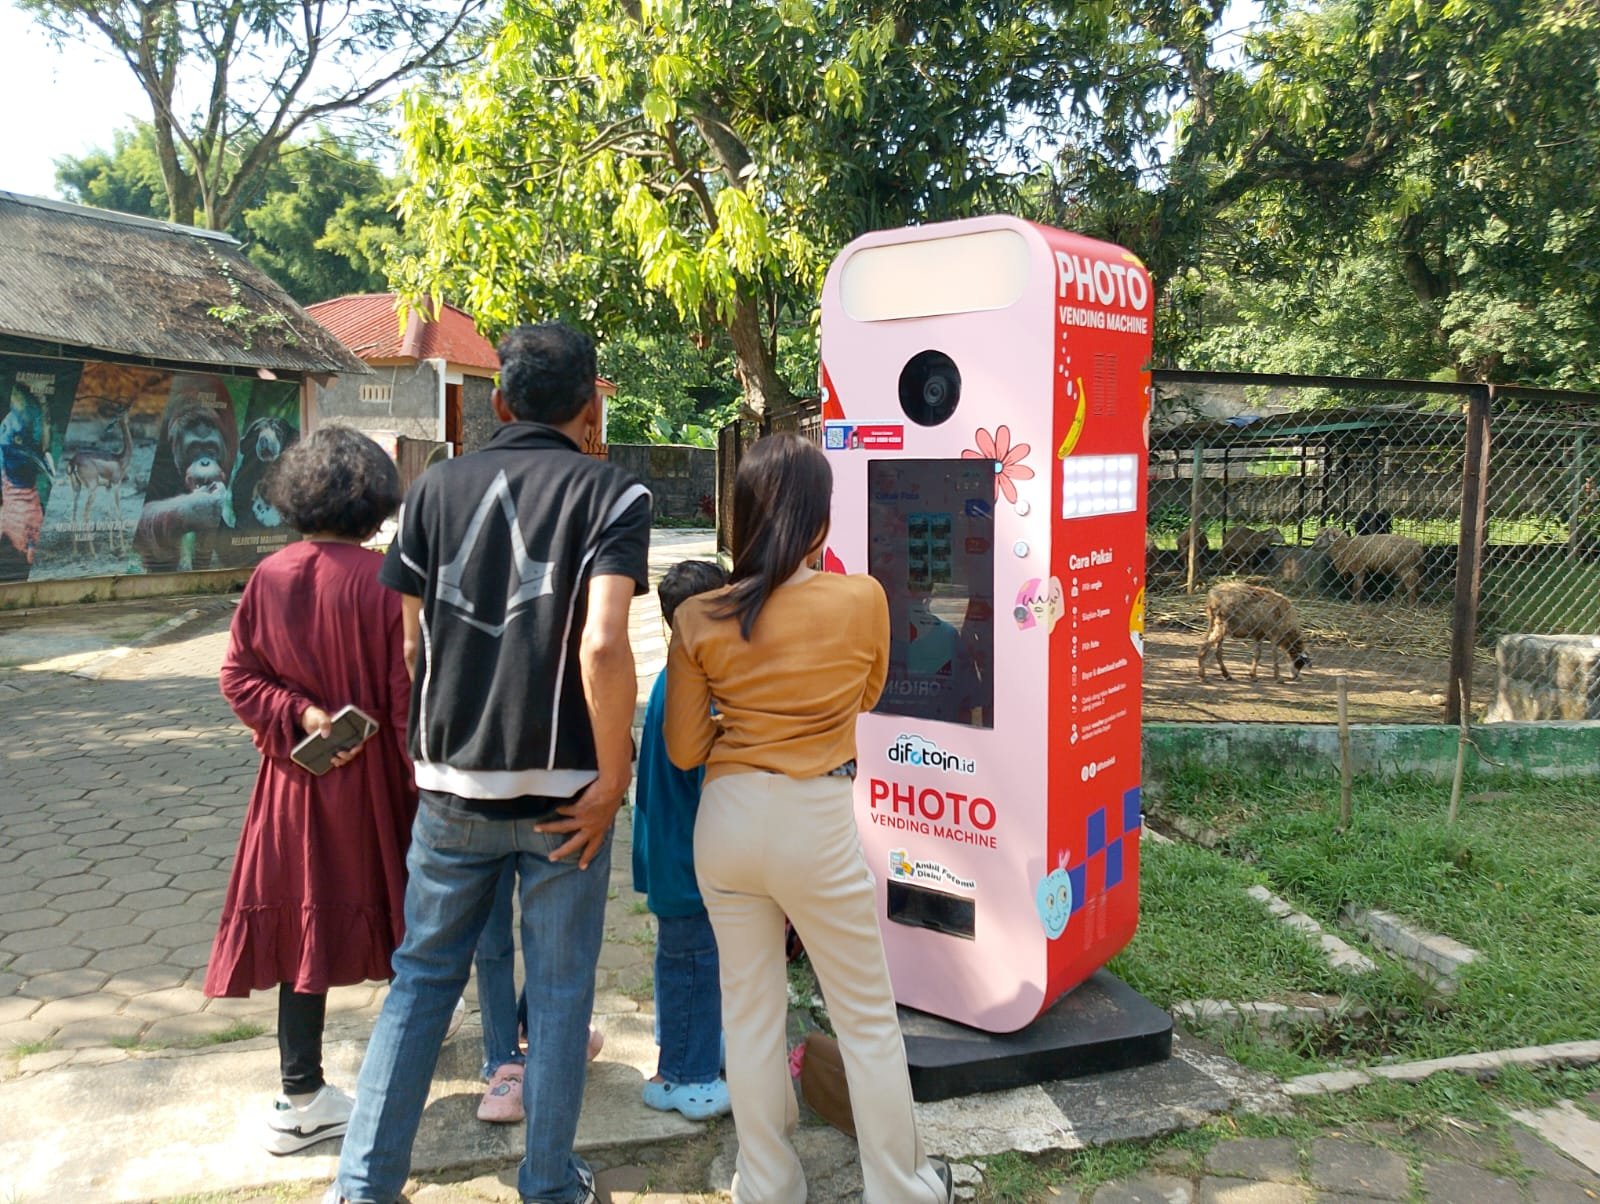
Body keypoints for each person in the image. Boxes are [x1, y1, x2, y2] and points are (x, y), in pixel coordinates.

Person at [327, 322, 650, 1204]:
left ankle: (364, 1187)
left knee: (421, 984)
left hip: (452, 785)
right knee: (557, 992)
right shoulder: (615, 495)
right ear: (593, 406)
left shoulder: (432, 490)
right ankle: (547, 1183)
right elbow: (606, 646)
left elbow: (409, 646)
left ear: (500, 402)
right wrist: (613, 781)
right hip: (565, 798)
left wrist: (441, 745)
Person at [664, 433, 953, 1204]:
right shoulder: (863, 599)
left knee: (750, 1011)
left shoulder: (698, 615)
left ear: (743, 516)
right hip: (815, 816)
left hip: (725, 822)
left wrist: (743, 711)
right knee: (863, 1015)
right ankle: (901, 1189)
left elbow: (685, 749)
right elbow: (865, 696)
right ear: (821, 522)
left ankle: (766, 1187)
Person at [202, 425, 416, 1155]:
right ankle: (408, 1076)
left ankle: (300, 1094)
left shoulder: (270, 576)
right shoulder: (388, 581)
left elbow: (237, 677)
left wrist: (299, 714)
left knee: (302, 933)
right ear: (374, 499)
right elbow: (407, 696)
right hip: (377, 788)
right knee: (414, 929)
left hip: (295, 785)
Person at [634, 559, 730, 1121]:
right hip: (689, 860)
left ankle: (679, 1060)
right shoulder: (702, 688)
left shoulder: (674, 675)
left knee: (680, 964)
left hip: (667, 854)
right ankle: (689, 1078)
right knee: (696, 965)